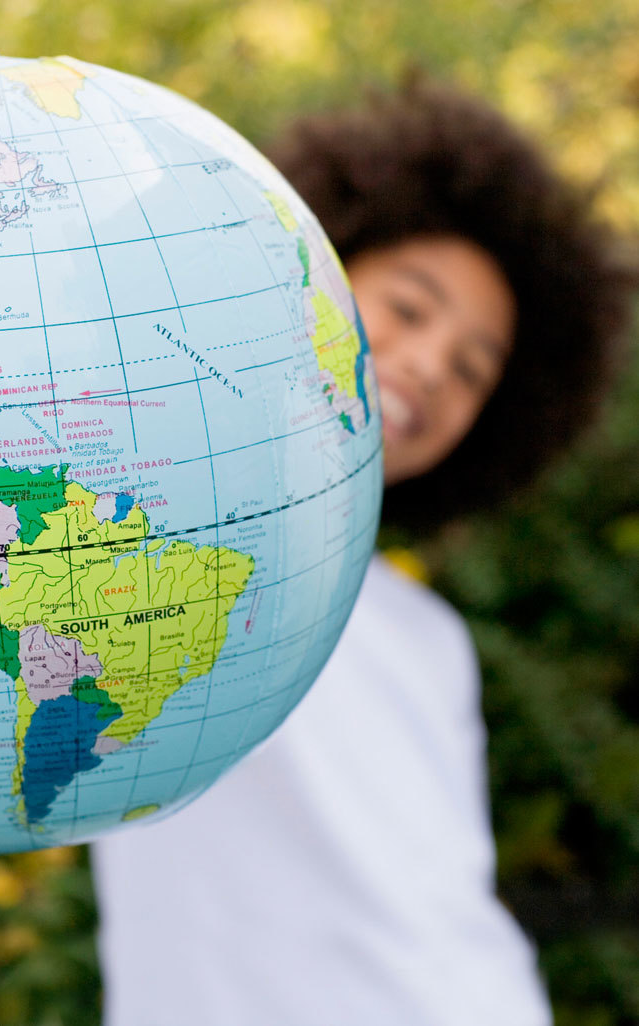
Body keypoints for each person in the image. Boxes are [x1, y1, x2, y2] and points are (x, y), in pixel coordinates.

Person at [90, 81, 634, 1026]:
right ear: (316, 274)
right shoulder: (152, 530)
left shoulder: (434, 641)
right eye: (411, 309)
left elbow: (440, 897)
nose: (430, 365)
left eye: (473, 369)